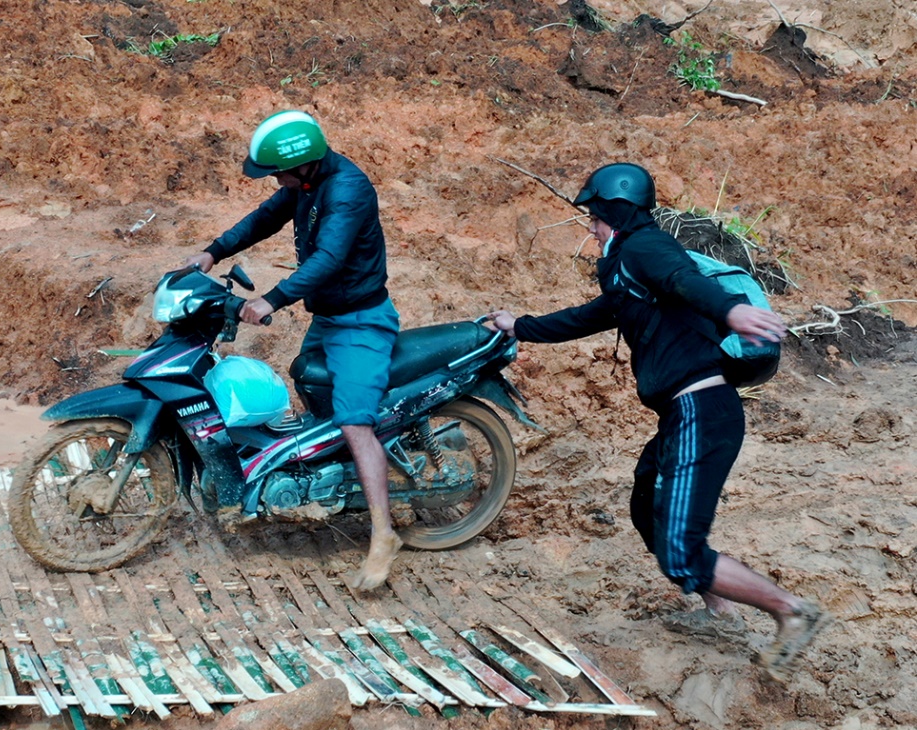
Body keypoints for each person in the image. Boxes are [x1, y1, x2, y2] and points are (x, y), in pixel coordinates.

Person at [485, 162, 830, 679]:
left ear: (615, 211)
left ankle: (792, 612)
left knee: (681, 554)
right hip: (682, 415)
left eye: (595, 216)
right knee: (647, 508)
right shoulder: (627, 269)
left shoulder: (646, 248)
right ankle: (722, 613)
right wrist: (521, 326)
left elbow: (685, 280)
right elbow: (590, 317)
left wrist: (732, 311)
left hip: (701, 412)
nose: (591, 226)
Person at [182, 110, 403, 591]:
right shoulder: (305, 185)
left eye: (277, 171)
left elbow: (329, 258)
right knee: (308, 384)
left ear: (304, 164)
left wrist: (272, 299)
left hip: (361, 322)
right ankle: (328, 484)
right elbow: (265, 218)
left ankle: (384, 535)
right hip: (328, 317)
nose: (274, 181)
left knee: (352, 420)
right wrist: (213, 251)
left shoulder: (347, 190)